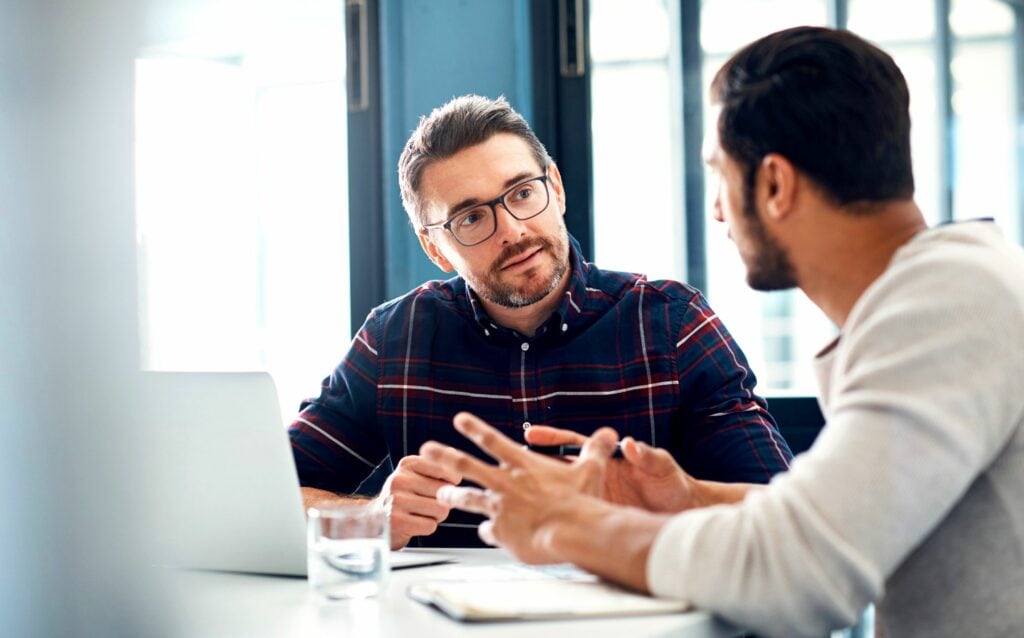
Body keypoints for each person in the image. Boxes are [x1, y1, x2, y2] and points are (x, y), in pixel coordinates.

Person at [421, 27, 1024, 637]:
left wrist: (567, 526)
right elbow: (835, 520)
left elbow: (798, 574)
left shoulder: (946, 305)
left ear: (773, 186)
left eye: (719, 174)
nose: (715, 209)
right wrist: (687, 496)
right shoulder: (948, 292)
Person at [287, 94, 792, 549]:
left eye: (523, 192)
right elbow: (267, 498)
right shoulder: (393, 339)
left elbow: (782, 517)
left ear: (556, 187)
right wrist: (368, 517)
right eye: (471, 218)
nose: (512, 229)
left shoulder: (674, 324)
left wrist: (673, 499)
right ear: (434, 248)